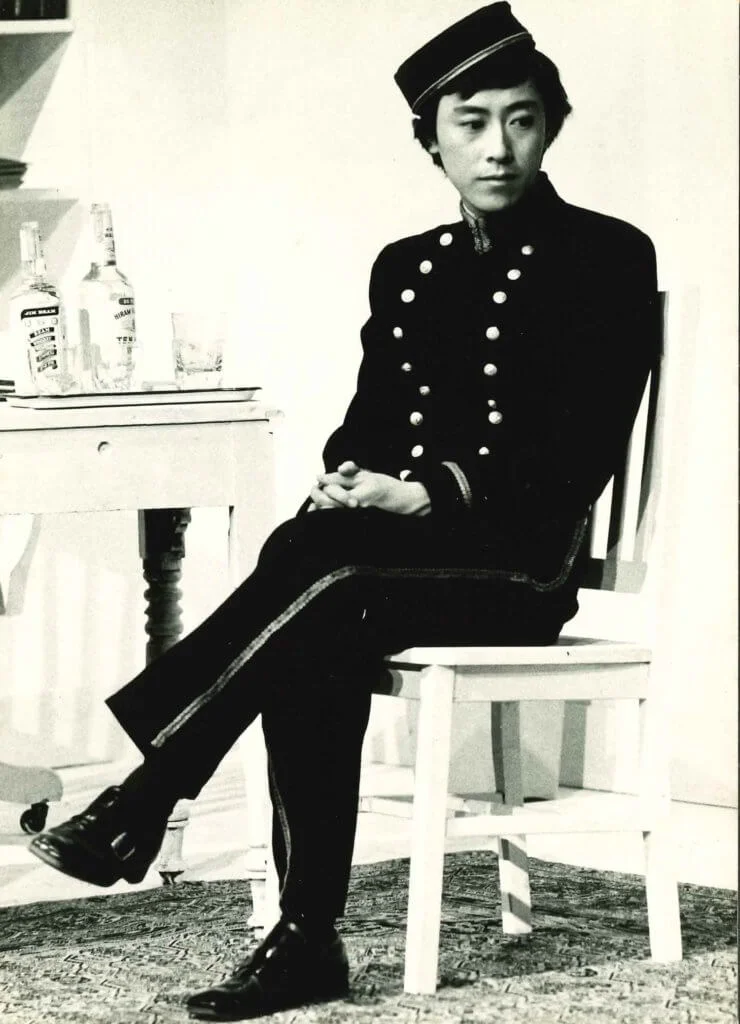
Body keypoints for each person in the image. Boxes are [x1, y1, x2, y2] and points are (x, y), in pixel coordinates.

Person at [28, 3, 659, 1020]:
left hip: (518, 568)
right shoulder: (407, 268)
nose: (497, 147)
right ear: (430, 140)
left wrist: (427, 489)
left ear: (551, 126)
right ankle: (301, 941)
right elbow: (367, 423)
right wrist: (350, 476)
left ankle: (147, 797)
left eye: (521, 119)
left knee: (321, 578)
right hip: (391, 568)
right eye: (470, 123)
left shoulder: (606, 255)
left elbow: (578, 449)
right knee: (314, 590)